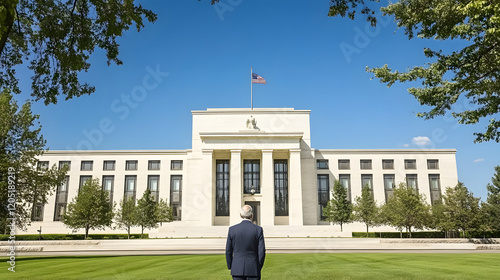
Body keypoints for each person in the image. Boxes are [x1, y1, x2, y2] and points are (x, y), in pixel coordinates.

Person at [225, 205, 266, 280]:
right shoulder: (258, 230)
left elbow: (228, 251)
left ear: (240, 215)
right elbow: (261, 251)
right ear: (252, 215)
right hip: (253, 268)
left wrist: (231, 266)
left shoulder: (232, 230)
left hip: (237, 268)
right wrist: (258, 265)